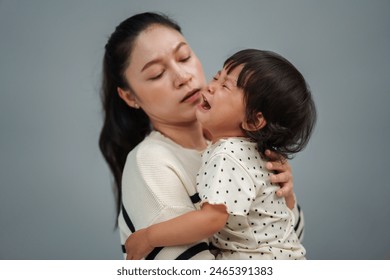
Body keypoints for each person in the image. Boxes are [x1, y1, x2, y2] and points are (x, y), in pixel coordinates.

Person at [99, 12, 303, 260]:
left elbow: (283, 244)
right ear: (129, 96)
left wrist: (286, 197)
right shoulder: (151, 163)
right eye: (156, 74)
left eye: (184, 57)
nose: (183, 77)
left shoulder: (240, 145)